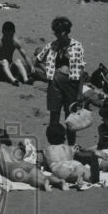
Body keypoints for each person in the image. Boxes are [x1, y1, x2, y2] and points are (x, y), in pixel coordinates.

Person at [37, 16, 86, 144]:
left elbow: (81, 70)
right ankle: (54, 145)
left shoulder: (77, 46)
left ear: (66, 31)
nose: (58, 35)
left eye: (59, 32)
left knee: (71, 118)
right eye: (56, 32)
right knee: (54, 116)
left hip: (72, 85)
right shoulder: (52, 45)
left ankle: (71, 147)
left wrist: (80, 93)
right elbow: (38, 60)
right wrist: (49, 72)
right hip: (55, 84)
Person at [0, 129, 66, 191]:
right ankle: (59, 182)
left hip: (12, 168)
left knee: (29, 179)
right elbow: (24, 156)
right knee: (44, 176)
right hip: (26, 165)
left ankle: (43, 184)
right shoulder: (15, 148)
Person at [0, 22, 32, 86]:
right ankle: (13, 80)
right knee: (4, 61)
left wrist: (31, 66)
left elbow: (25, 56)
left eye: (10, 35)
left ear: (13, 32)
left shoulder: (15, 41)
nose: (8, 37)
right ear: (3, 32)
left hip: (8, 67)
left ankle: (26, 80)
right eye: (7, 35)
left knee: (18, 61)